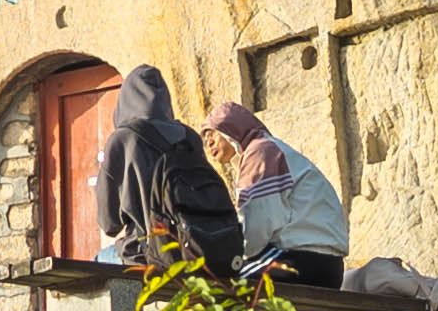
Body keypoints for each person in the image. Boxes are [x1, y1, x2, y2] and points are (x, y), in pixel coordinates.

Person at [94, 65, 243, 278]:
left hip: (147, 253)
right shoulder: (189, 137)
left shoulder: (123, 139)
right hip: (200, 249)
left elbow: (108, 223)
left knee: (96, 264)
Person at [200, 103, 349, 288]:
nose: (209, 142)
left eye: (213, 132)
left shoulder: (260, 153)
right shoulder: (271, 150)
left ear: (232, 128)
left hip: (301, 260)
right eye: (205, 138)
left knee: (215, 288)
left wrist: (225, 258)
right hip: (326, 265)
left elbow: (257, 229)